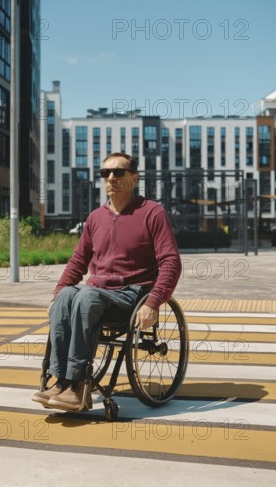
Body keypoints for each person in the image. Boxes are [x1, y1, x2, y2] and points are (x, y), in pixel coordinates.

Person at [32, 152, 182, 412]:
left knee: (85, 297)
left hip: (131, 295)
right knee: (67, 296)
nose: (111, 177)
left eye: (118, 172)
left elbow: (171, 262)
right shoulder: (96, 217)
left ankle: (79, 386)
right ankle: (61, 380)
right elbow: (78, 261)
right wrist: (57, 293)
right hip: (98, 293)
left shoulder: (152, 213)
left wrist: (155, 302)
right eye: (105, 173)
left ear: (134, 177)